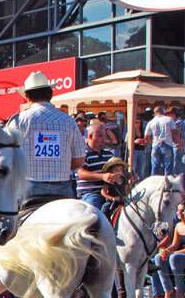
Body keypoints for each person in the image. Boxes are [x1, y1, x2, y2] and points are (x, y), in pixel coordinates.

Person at [9, 71, 85, 200]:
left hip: (29, 189)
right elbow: (79, 160)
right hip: (63, 188)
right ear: (50, 93)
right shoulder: (69, 121)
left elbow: (8, 157)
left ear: (27, 96)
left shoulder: (18, 121)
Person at [148, 201, 185, 298]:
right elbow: (171, 243)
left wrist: (169, 250)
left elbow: (166, 238)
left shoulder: (169, 222)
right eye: (178, 211)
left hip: (180, 257)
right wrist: (165, 250)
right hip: (175, 255)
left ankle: (180, 293)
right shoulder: (175, 225)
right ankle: (167, 291)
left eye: (182, 211)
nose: (180, 213)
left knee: (174, 257)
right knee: (158, 258)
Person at [76, 121, 116, 210]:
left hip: (109, 192)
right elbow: (81, 174)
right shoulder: (83, 153)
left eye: (105, 136)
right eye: (100, 136)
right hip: (91, 193)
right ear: (90, 136)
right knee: (94, 215)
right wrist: (103, 176)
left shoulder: (109, 154)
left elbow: (117, 170)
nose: (104, 139)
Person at [145, 106, 178, 176]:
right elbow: (175, 132)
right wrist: (178, 142)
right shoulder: (169, 119)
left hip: (156, 145)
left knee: (155, 166)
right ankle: (168, 183)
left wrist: (152, 142)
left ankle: (154, 182)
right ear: (163, 112)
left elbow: (147, 136)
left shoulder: (151, 122)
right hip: (167, 144)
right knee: (168, 167)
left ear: (155, 113)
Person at [167, 106, 185, 175]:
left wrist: (180, 145)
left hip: (176, 146)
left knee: (177, 165)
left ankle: (180, 179)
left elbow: (182, 135)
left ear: (173, 114)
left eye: (169, 114)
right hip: (176, 146)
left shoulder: (178, 123)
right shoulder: (178, 122)